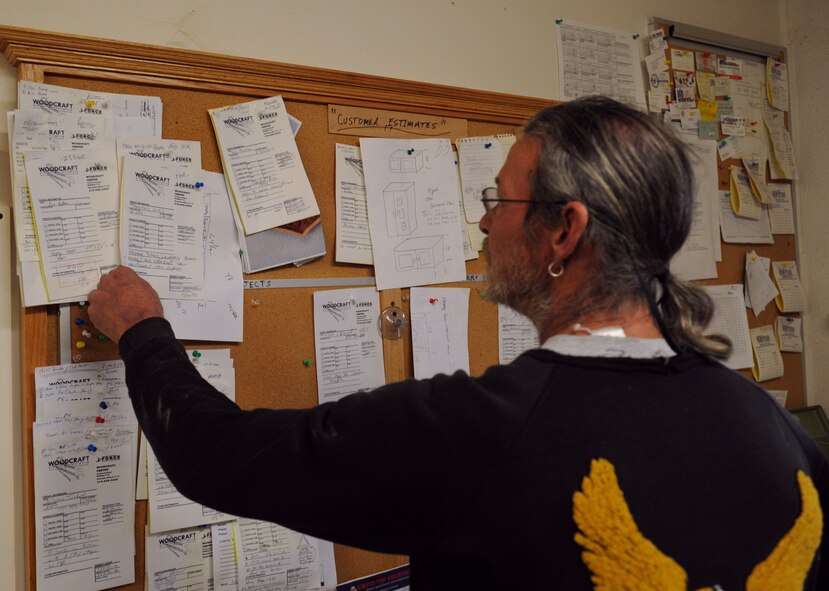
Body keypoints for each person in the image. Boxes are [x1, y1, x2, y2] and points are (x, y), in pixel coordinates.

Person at [89, 96, 827, 590]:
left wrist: (142, 328)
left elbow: (215, 455)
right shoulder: (772, 426)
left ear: (562, 231)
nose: (482, 224)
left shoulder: (477, 432)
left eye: (496, 199)